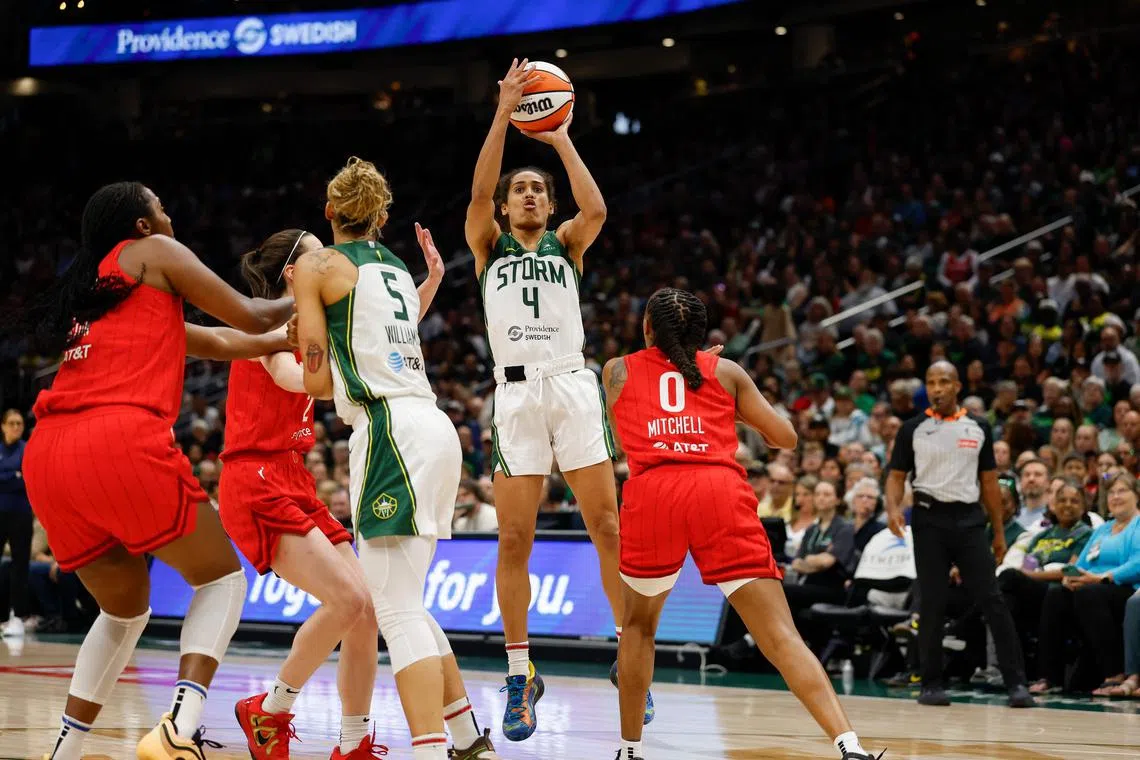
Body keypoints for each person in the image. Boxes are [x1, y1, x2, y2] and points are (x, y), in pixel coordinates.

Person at [15, 182, 295, 760]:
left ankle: (65, 751)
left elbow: (219, 340)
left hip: (48, 456)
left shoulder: (102, 290)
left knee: (122, 611)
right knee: (221, 580)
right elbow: (248, 312)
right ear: (141, 225)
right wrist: (312, 288)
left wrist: (278, 339)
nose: (169, 215)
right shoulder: (154, 253)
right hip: (117, 440)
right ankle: (177, 730)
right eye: (161, 207)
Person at [604, 287, 880, 760]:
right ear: (701, 334)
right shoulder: (727, 372)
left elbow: (624, 430)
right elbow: (785, 438)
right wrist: (722, 391)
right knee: (780, 635)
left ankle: (629, 751)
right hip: (718, 492)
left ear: (647, 328)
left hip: (654, 493)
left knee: (638, 629)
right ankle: (849, 745)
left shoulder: (616, 370)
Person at [294, 156, 498, 760]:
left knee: (396, 608)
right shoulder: (393, 267)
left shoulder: (316, 266)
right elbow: (382, 334)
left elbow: (315, 381)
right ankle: (467, 739)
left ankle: (429, 749)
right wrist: (428, 283)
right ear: (381, 217)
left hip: (388, 430)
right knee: (406, 598)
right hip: (434, 428)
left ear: (330, 211)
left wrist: (296, 346)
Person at [465, 59, 633, 739]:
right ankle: (519, 672)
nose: (530, 195)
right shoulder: (488, 244)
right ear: (506, 208)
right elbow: (478, 192)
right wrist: (504, 114)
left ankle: (630, 653)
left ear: (549, 204)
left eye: (538, 189)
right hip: (515, 394)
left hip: (570, 383)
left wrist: (559, 136)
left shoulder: (568, 242)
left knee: (608, 528)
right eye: (521, 189)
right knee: (514, 538)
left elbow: (597, 210)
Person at [218, 229, 385, 760]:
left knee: (367, 611)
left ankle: (353, 743)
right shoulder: (265, 323)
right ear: (293, 272)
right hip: (255, 478)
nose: (331, 262)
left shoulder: (315, 321)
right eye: (320, 256)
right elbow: (295, 379)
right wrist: (361, 370)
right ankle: (270, 709)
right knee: (348, 599)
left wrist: (423, 288)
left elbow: (386, 331)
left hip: (293, 475)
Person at [884, 361, 1036, 708]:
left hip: (969, 519)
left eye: (943, 382)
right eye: (931, 382)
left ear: (957, 386)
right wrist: (892, 508)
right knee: (932, 602)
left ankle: (1016, 683)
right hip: (928, 518)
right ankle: (931, 684)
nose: (936, 388)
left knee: (992, 599)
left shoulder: (978, 426)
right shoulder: (912, 428)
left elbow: (989, 483)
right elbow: (896, 476)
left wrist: (998, 533)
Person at [1029, 471, 1140, 695]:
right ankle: (1050, 676)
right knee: (1056, 594)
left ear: (1136, 495)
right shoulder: (1103, 529)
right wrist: (1072, 577)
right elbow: (1081, 563)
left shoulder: (1137, 525)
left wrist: (1104, 577)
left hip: (1124, 587)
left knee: (1089, 594)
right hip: (1092, 586)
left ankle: (1113, 673)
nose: (1116, 497)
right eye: (1111, 492)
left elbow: (1137, 563)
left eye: (1122, 491)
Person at [0, 409, 32, 638]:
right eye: (11, 423)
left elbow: (27, 479)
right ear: (3, 426)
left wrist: (9, 477)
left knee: (20, 565)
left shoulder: (27, 449)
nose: (16, 427)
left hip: (20, 515)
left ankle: (18, 616)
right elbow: (14, 479)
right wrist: (13, 475)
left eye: (19, 423)